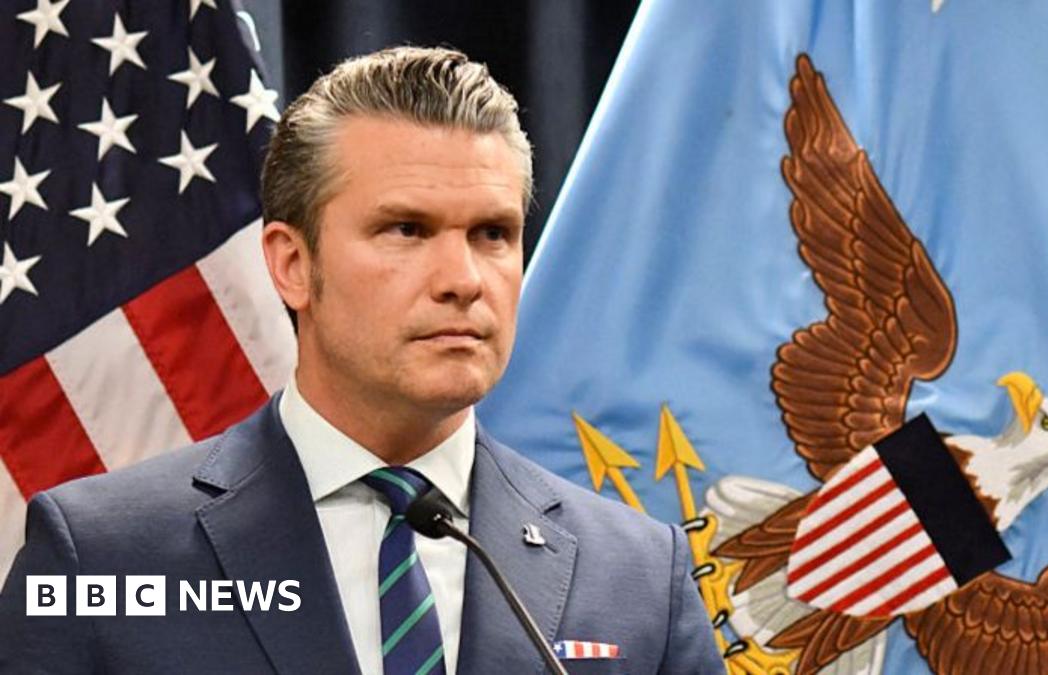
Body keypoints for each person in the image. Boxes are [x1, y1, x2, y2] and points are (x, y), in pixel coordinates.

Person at [0, 46, 724, 674]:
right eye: (407, 229)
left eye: (493, 234)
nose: (463, 278)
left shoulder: (636, 575)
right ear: (292, 265)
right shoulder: (102, 553)